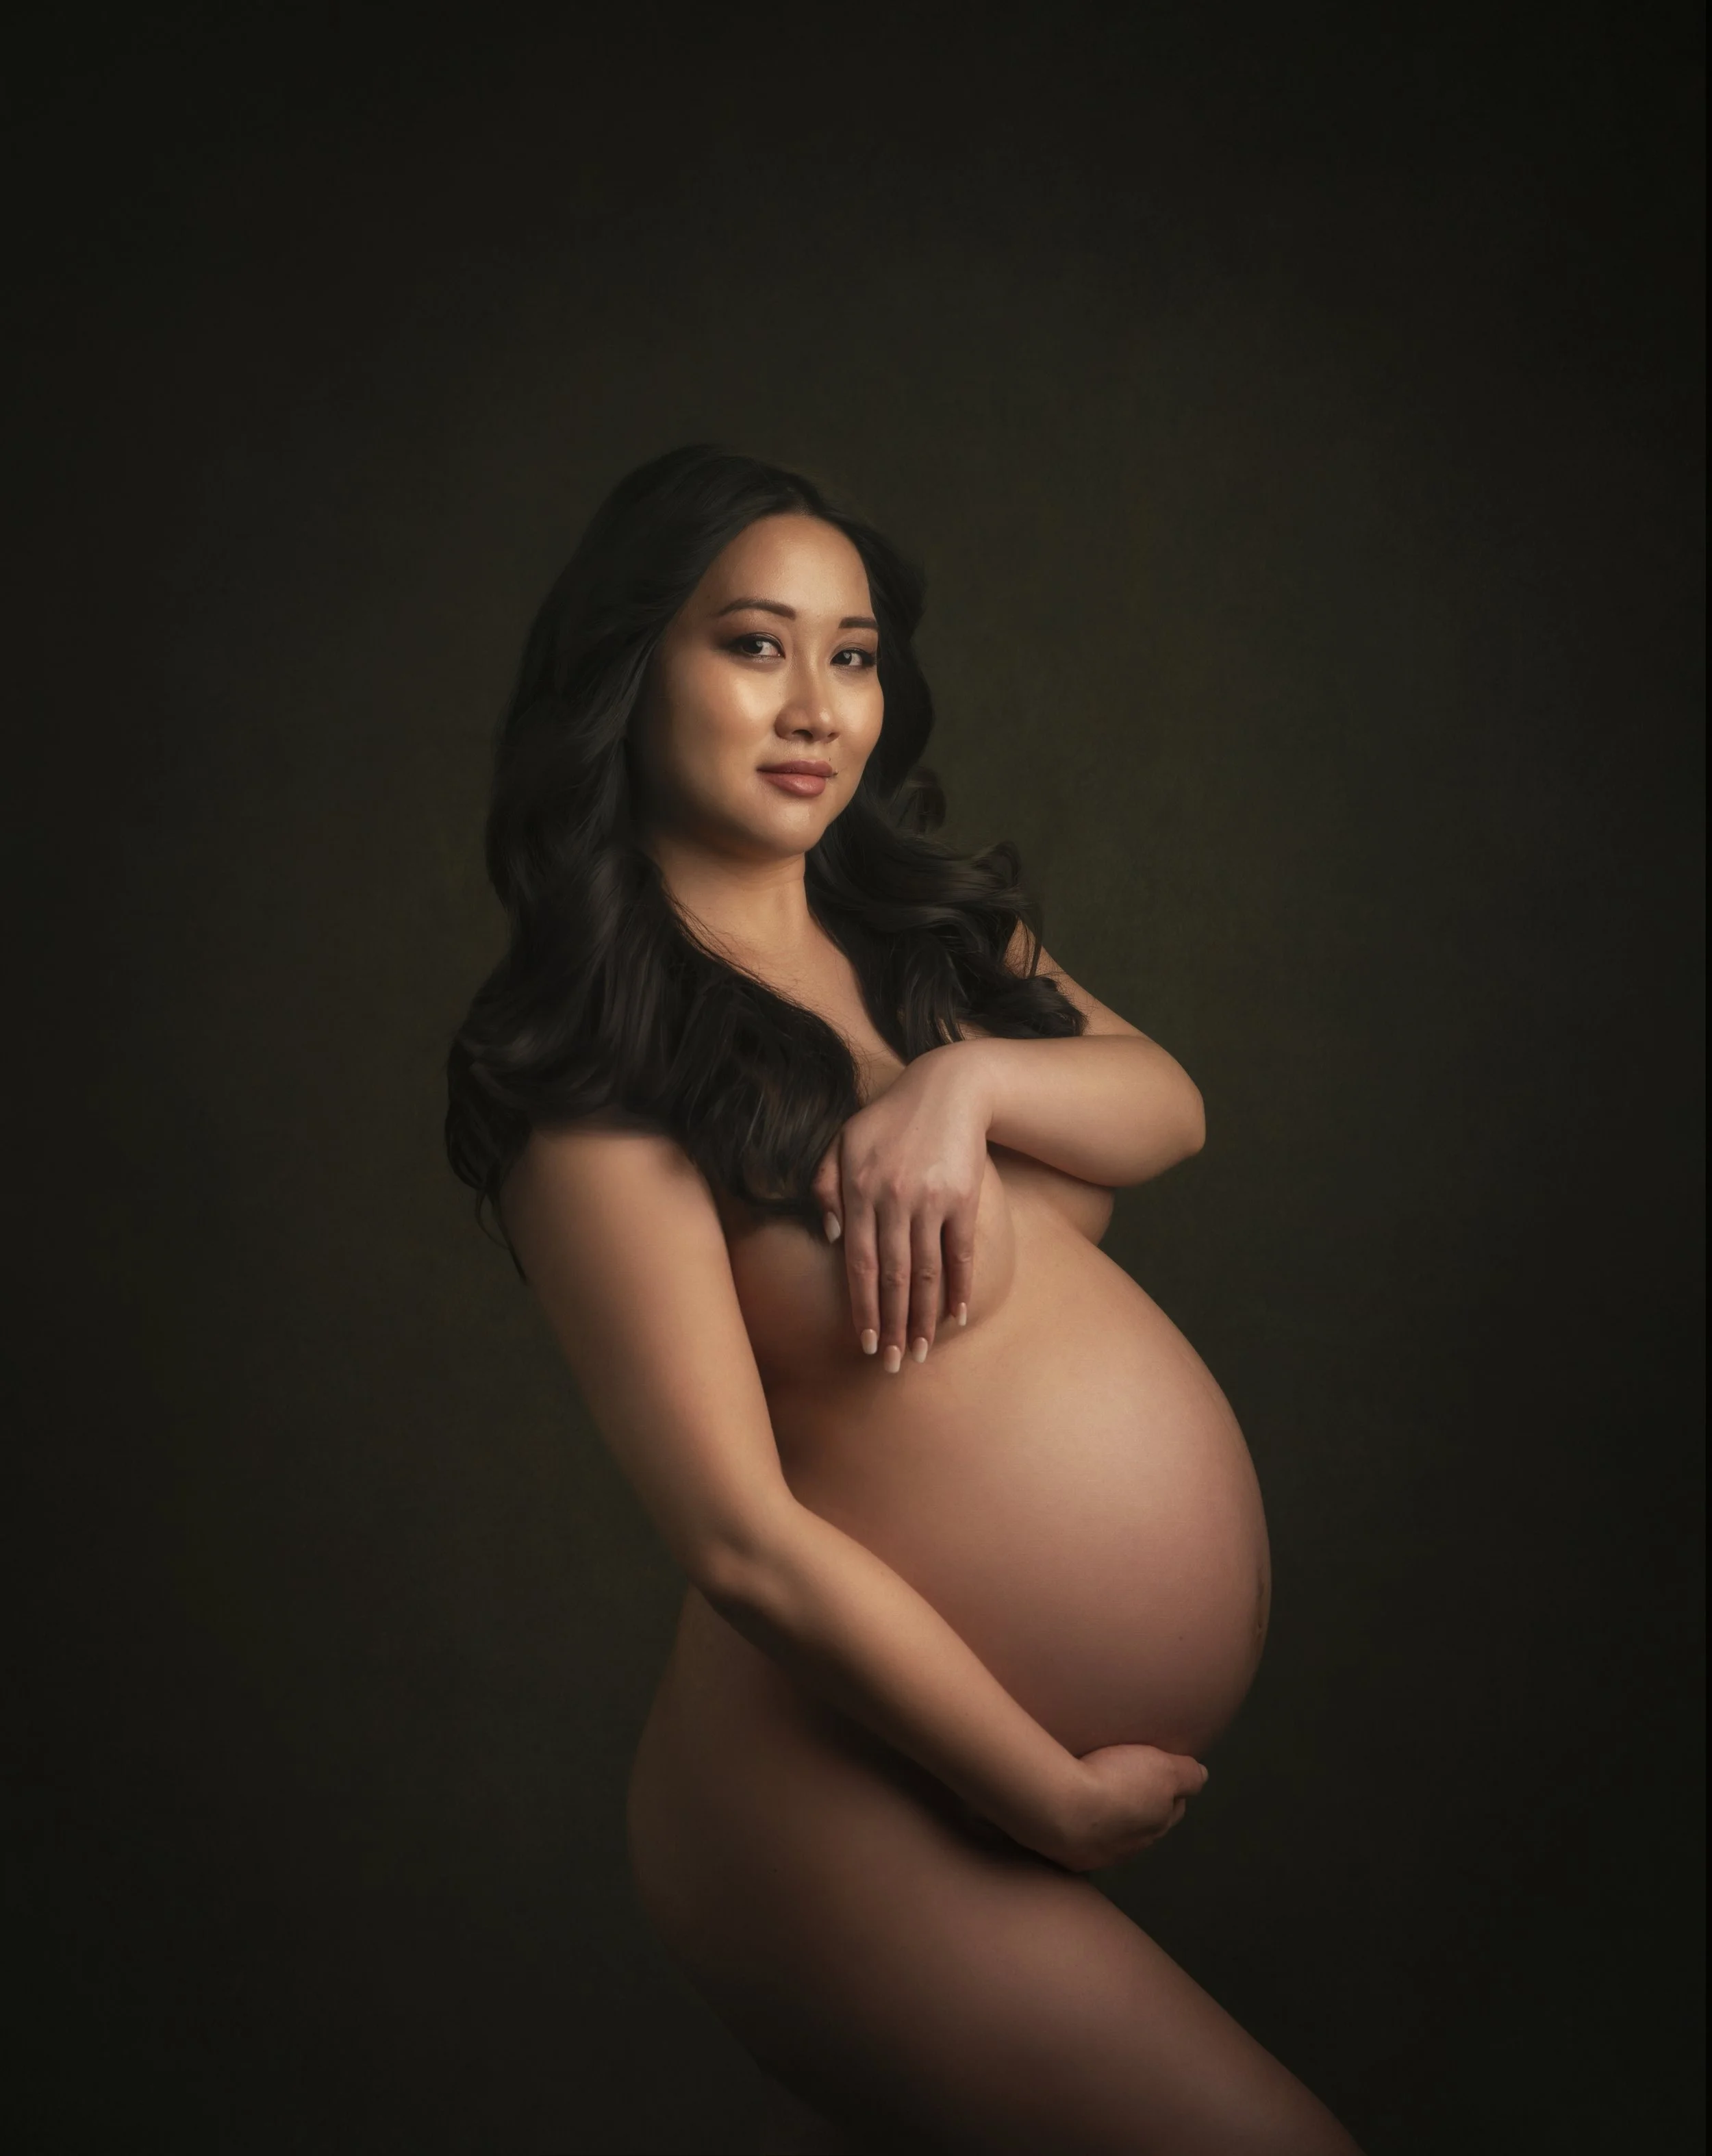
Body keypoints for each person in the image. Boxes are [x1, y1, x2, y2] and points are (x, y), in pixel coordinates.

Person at [446, 446, 1361, 2153]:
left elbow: (1165, 1103)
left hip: (966, 1757)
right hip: (829, 1802)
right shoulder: (600, 1079)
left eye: (851, 654)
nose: (815, 707)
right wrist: (1047, 1794)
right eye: (753, 645)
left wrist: (965, 1084)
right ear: (629, 670)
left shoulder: (920, 938)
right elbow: (738, 1539)